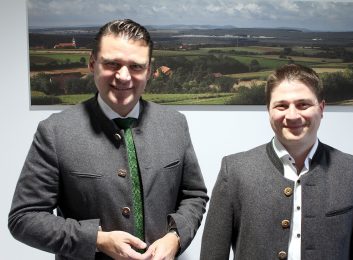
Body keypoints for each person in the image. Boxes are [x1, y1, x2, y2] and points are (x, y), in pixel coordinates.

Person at [9, 19, 208, 260]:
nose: (124, 77)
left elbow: (194, 196)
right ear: (93, 64)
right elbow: (24, 218)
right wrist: (95, 239)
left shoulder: (175, 123)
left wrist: (175, 236)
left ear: (148, 70)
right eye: (112, 64)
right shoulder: (54, 131)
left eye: (136, 66)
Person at [200, 64, 353, 260]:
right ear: (268, 110)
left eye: (303, 104)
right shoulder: (234, 171)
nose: (292, 115)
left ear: (321, 108)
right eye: (281, 105)